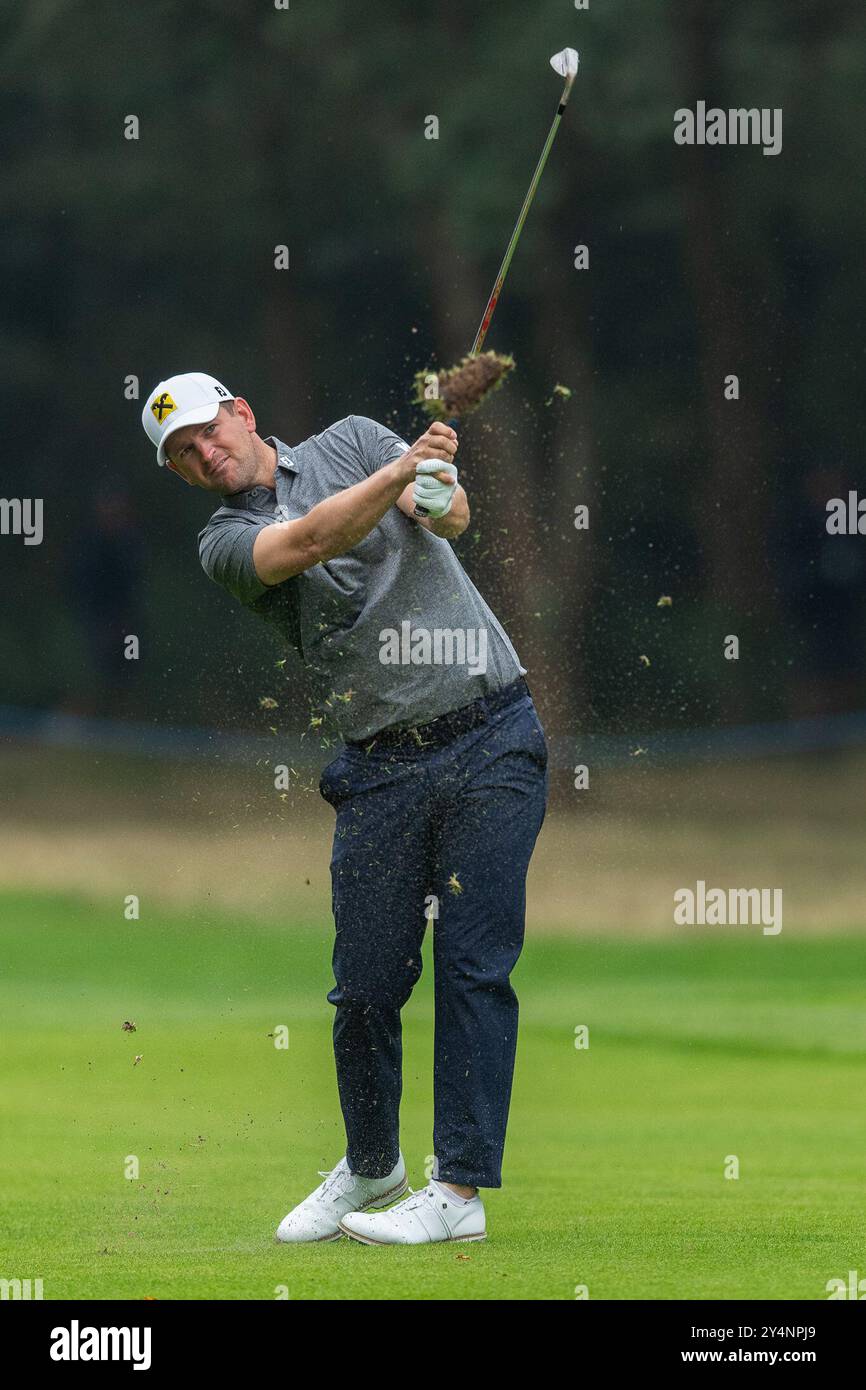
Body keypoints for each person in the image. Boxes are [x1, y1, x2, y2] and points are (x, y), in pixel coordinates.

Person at [141, 371, 548, 1245]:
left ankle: (459, 1193)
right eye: (183, 456)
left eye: (209, 432)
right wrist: (403, 471)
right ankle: (372, 1166)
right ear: (179, 475)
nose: (205, 454)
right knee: (364, 987)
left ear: (244, 413)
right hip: (379, 767)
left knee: (474, 966)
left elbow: (451, 520)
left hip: (492, 732)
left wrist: (432, 480)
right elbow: (314, 539)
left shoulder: (355, 440)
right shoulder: (226, 541)